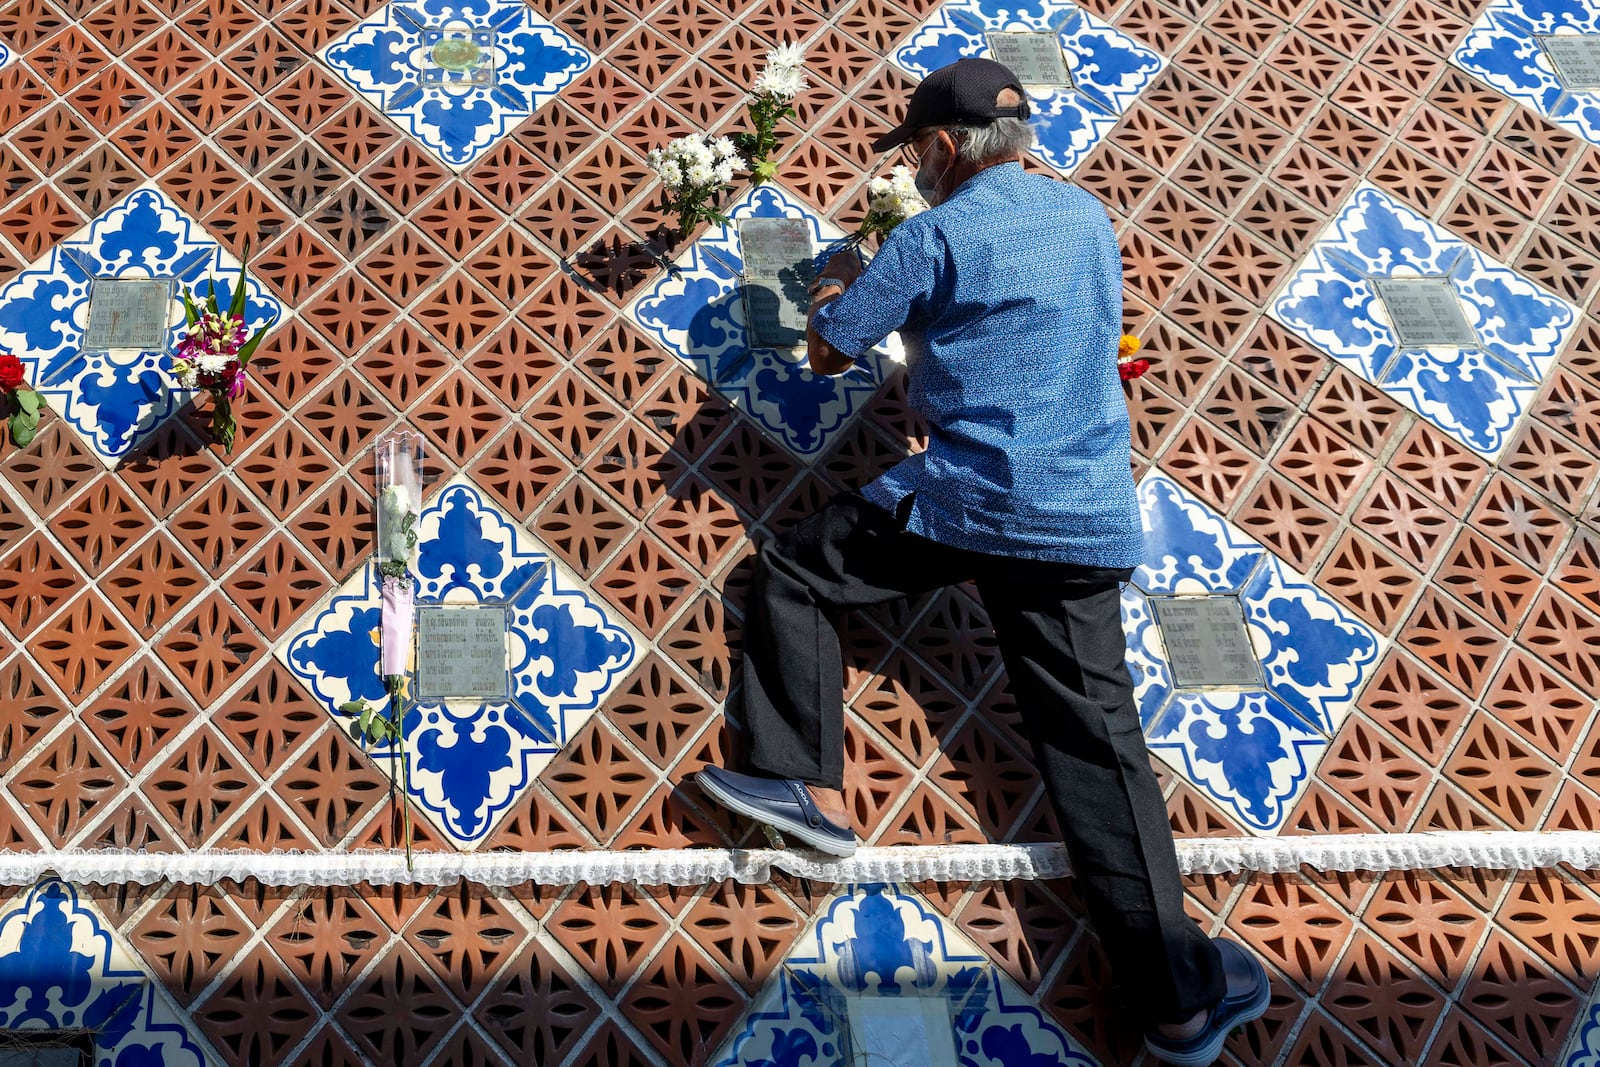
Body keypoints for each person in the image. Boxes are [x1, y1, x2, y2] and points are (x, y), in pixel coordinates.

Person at [693, 57, 1270, 1066]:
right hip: (1084, 517)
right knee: (1098, 749)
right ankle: (1176, 998)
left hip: (967, 505)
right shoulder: (1086, 215)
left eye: (917, 150)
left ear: (945, 147)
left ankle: (802, 783)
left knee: (796, 566)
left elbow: (834, 346)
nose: (914, 167)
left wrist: (838, 281)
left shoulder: (935, 232)